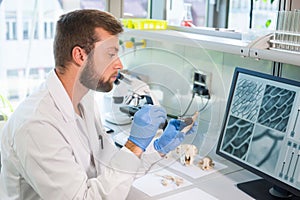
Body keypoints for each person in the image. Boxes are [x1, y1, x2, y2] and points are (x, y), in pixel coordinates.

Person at [0, 9, 198, 199]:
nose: (120, 64)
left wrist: (157, 148)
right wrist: (133, 145)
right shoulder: (37, 125)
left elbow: (112, 170)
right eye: (110, 54)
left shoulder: (84, 99)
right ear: (80, 56)